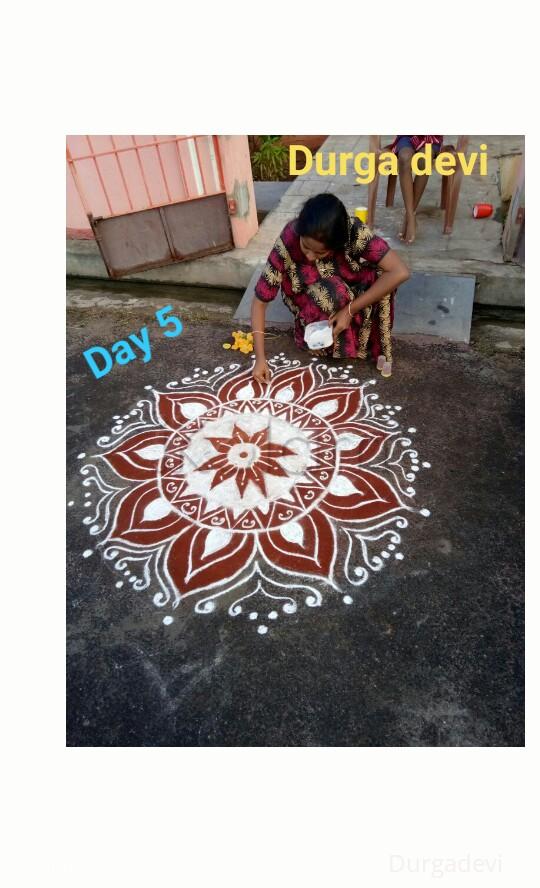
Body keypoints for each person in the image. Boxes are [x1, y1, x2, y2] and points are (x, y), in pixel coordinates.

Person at [251, 193, 409, 384]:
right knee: (330, 292)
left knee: (382, 279)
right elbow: (260, 301)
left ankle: (362, 341)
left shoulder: (352, 232)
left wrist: (350, 310)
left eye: (319, 252)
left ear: (336, 245)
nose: (309, 256)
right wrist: (260, 358)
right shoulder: (289, 238)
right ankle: (322, 341)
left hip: (349, 291)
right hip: (311, 296)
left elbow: (399, 271)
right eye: (305, 247)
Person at [389, 135, 443, 244]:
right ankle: (410, 216)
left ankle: (408, 217)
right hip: (407, 136)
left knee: (424, 159)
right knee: (404, 158)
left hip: (431, 137)